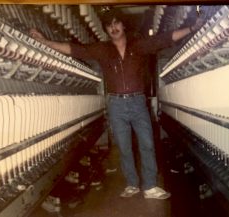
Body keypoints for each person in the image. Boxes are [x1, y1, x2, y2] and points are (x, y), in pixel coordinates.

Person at [30, 8, 203, 199]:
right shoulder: (102, 49)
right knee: (124, 145)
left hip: (138, 102)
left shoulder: (139, 45)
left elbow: (164, 39)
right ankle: (131, 184)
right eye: (109, 25)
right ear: (106, 29)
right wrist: (45, 42)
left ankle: (150, 186)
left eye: (116, 23)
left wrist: (191, 28)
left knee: (147, 143)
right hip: (116, 104)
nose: (113, 28)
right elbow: (74, 49)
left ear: (123, 25)